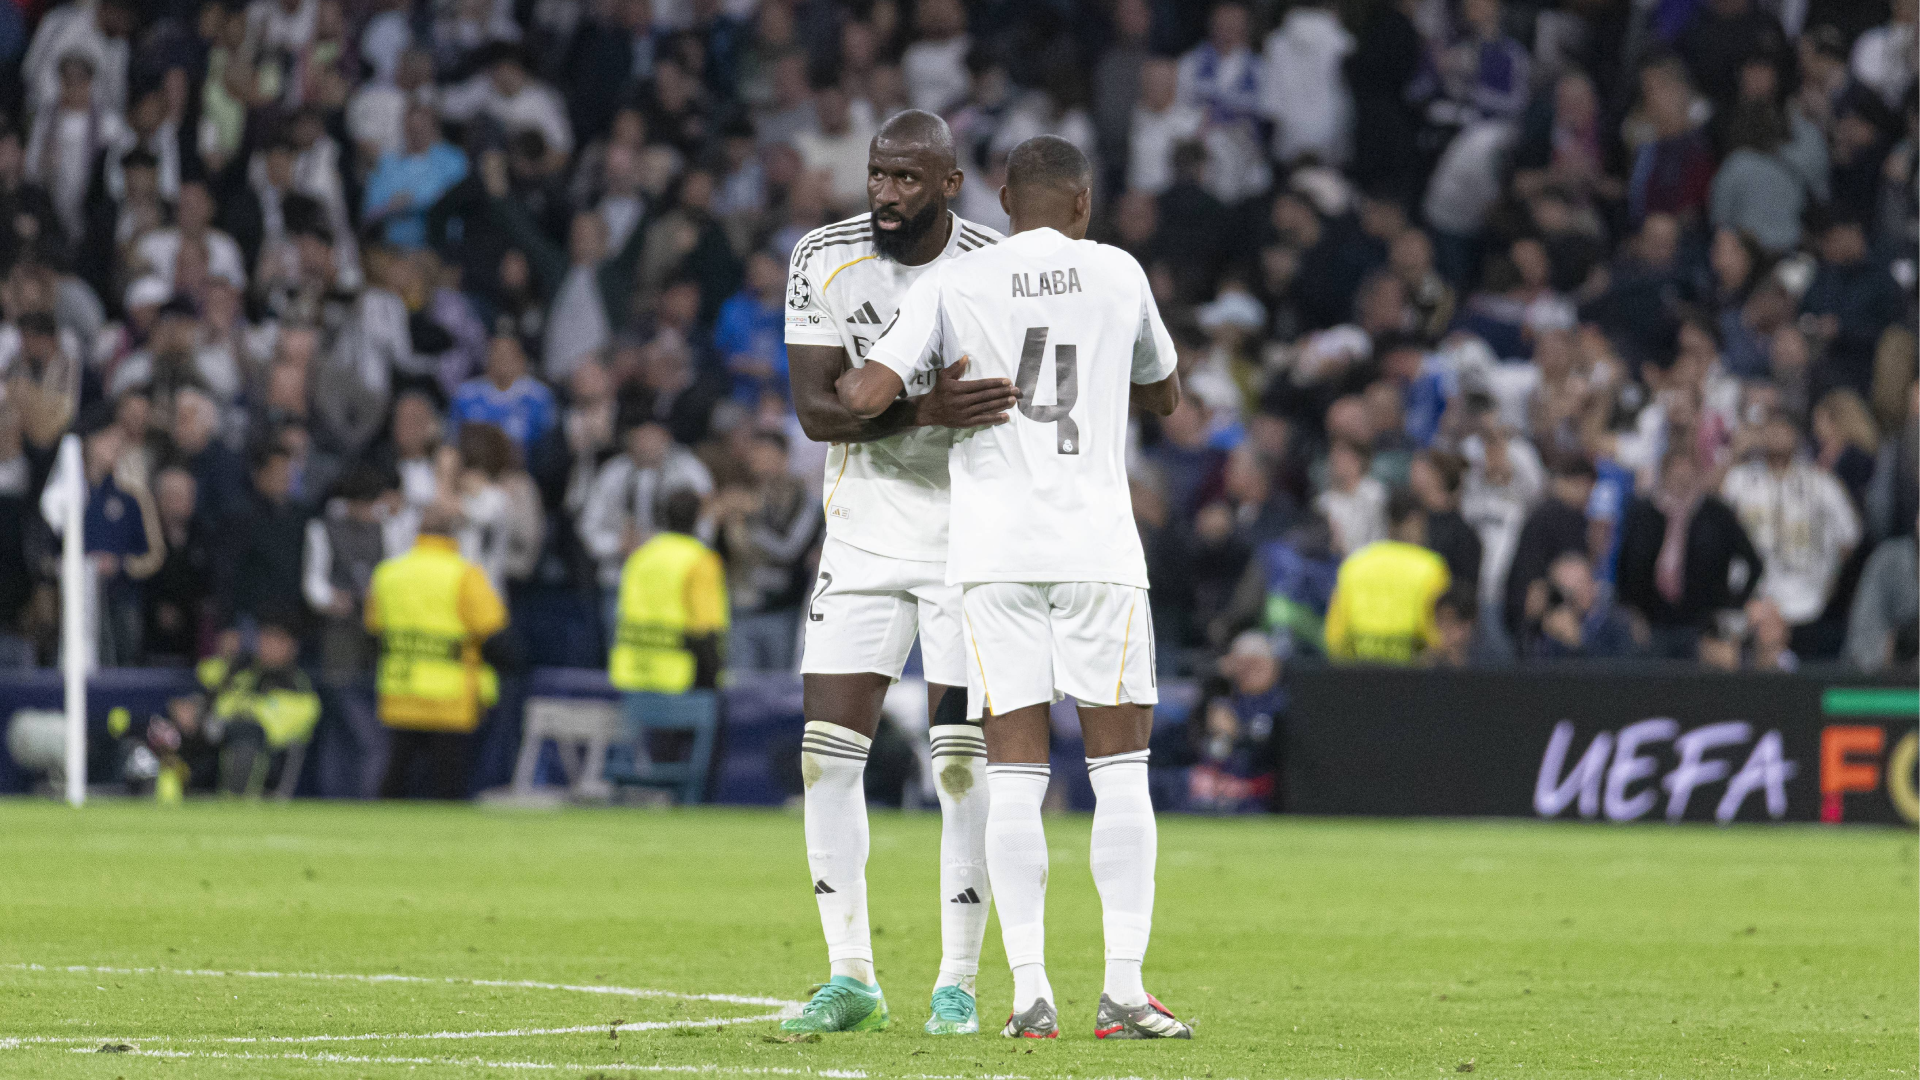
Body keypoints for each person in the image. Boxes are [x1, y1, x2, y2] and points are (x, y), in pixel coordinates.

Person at [842, 134, 1191, 1041]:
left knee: (1015, 779)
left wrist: (928, 403)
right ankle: (1122, 990)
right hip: (1096, 554)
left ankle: (1030, 994)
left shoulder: (956, 284)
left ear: (1001, 201)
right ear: (1082, 204)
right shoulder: (1118, 273)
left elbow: (862, 391)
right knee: (1121, 776)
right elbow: (1167, 394)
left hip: (992, 559)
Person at [776, 109, 1017, 1037]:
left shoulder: (994, 265)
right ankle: (851, 978)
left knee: (961, 767)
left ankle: (956, 982)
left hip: (971, 537)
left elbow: (1006, 405)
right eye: (879, 175)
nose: (885, 193)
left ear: (949, 185)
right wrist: (925, 410)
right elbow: (816, 412)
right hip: (866, 534)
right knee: (823, 757)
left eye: (908, 179)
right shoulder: (822, 256)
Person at [365, 502, 508, 799]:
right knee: (448, 783)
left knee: (395, 777)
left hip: (400, 688)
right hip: (448, 694)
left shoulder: (388, 573)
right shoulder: (464, 574)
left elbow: (373, 626)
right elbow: (493, 630)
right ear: (455, 534)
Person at [1721, 410, 1861, 657]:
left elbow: (1849, 536)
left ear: (1796, 435)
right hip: (1750, 599)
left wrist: (1829, 575)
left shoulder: (1820, 482)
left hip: (1806, 600)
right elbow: (1715, 529)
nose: (1777, 436)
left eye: (1784, 429)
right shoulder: (1738, 480)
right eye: (1771, 428)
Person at [608, 486, 727, 699]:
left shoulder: (640, 557)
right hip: (681, 680)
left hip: (634, 675)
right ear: (699, 517)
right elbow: (705, 629)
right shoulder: (700, 560)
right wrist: (714, 682)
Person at [1323, 490, 1451, 664]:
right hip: (1412, 680)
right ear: (1416, 520)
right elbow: (1440, 634)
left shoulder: (1353, 565)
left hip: (1358, 679)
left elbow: (1334, 638)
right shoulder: (1431, 567)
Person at [196, 619, 321, 795]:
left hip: (271, 762)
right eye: (264, 640)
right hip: (227, 741)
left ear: (291, 647)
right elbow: (208, 678)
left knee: (248, 732)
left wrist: (243, 712)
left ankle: (237, 797)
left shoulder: (296, 683)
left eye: (275, 641)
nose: (267, 647)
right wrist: (225, 656)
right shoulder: (246, 672)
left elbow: (279, 724)